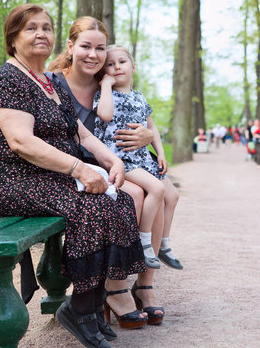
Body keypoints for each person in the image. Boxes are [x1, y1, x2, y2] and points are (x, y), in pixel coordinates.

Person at [0, 5, 147, 348]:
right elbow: (21, 141)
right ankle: (79, 309)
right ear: (13, 39)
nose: (41, 34)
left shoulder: (49, 82)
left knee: (121, 202)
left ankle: (94, 305)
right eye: (30, 29)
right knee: (92, 207)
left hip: (43, 177)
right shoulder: (8, 80)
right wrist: (79, 168)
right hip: (8, 180)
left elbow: (81, 133)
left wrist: (112, 160)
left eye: (46, 28)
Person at [46, 17, 169, 326]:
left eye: (100, 48)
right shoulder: (53, 83)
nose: (93, 54)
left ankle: (145, 285)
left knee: (164, 193)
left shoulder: (109, 81)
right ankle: (115, 286)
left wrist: (145, 135)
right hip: (71, 168)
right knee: (134, 193)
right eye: (86, 46)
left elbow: (136, 119)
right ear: (71, 47)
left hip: (111, 163)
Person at [93, 44, 182, 272]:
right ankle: (144, 243)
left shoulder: (139, 98)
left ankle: (164, 243)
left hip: (143, 158)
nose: (116, 67)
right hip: (121, 159)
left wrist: (160, 153)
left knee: (172, 195)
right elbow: (104, 114)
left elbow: (151, 127)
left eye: (121, 62)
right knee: (157, 189)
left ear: (133, 66)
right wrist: (104, 85)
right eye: (110, 65)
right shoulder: (106, 95)